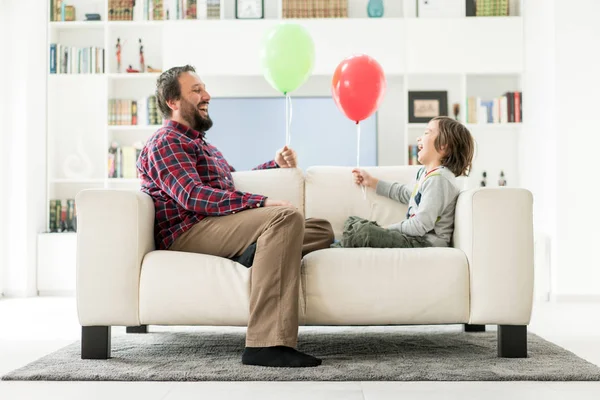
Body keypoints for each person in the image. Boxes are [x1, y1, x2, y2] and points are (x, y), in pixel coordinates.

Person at [136, 65, 334, 368]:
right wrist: (263, 202)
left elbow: (231, 183)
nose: (207, 95)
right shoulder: (165, 142)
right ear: (173, 102)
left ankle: (253, 252)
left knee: (321, 228)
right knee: (284, 218)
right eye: (196, 90)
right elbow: (193, 195)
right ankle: (265, 344)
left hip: (217, 227)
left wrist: (273, 165)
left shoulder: (203, 145)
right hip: (189, 232)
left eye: (204, 88)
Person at [337, 116, 475, 249]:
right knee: (353, 222)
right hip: (415, 238)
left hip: (424, 242)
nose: (419, 138)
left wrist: (384, 229)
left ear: (444, 146)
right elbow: (405, 193)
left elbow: (420, 225)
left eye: (427, 132)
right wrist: (371, 182)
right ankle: (337, 243)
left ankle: (335, 244)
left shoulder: (440, 179)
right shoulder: (426, 174)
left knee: (363, 231)